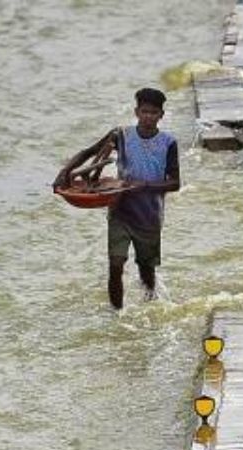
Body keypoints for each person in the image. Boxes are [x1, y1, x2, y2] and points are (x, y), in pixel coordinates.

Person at [55, 88, 180, 309]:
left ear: (161, 114)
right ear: (136, 112)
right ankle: (116, 314)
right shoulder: (121, 135)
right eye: (144, 111)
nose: (148, 117)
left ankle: (150, 305)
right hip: (120, 212)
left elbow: (174, 183)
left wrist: (145, 185)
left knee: (146, 269)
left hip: (150, 217)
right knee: (115, 264)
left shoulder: (168, 143)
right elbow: (88, 152)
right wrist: (64, 173)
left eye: (153, 112)